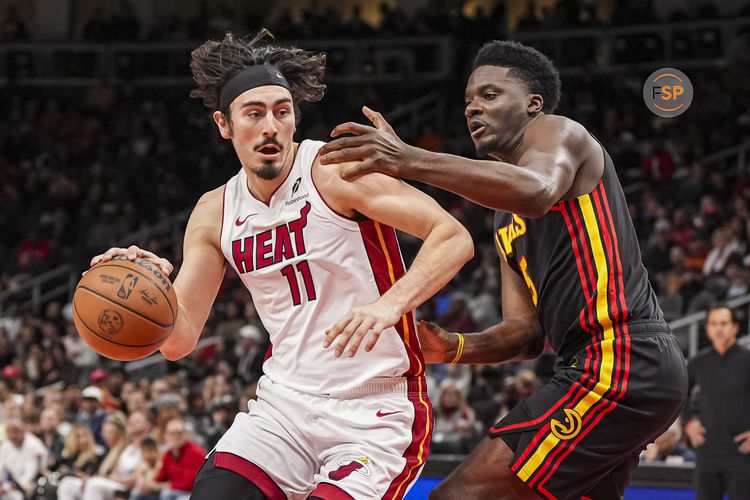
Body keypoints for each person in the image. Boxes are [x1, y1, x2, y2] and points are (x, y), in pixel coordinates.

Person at [90, 30, 473, 500]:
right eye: (254, 114)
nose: (271, 125)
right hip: (283, 407)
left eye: (282, 111)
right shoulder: (215, 211)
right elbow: (179, 339)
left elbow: (452, 236)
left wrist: (388, 306)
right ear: (224, 125)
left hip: (374, 409)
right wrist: (148, 284)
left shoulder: (333, 171)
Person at [319, 40, 688, 500]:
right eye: (469, 101)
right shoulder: (502, 218)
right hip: (600, 366)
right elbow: (527, 334)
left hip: (622, 359)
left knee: (456, 496)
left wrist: (408, 159)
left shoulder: (559, 131)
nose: (473, 108)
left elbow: (536, 189)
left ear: (532, 104)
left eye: (490, 96)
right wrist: (453, 347)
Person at [684, 306, 750, 500]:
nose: (719, 329)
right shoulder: (699, 363)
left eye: (724, 323)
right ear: (708, 328)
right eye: (714, 324)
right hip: (707, 453)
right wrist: (689, 422)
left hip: (742, 455)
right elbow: (680, 395)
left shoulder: (747, 361)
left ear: (735, 328)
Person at [146, 418, 205, 500]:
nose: (176, 437)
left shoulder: (196, 452)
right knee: (139, 493)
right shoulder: (167, 454)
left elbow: (190, 484)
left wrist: (165, 486)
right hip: (176, 491)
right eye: (172, 434)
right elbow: (161, 478)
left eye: (179, 433)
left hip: (195, 492)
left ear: (186, 434)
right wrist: (149, 482)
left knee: (167, 494)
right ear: (165, 436)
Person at [0, 418, 48, 500]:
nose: (12, 436)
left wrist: (9, 486)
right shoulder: (6, 445)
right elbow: (1, 468)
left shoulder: (33, 445)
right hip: (12, 483)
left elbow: (30, 474)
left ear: (23, 431)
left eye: (15, 432)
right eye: (9, 432)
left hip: (35, 483)